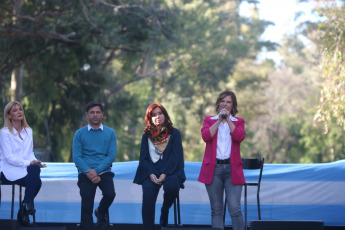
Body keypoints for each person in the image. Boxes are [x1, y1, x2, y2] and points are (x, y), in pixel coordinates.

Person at [198, 90, 246, 230]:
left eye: (228, 102)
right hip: (214, 170)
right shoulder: (209, 120)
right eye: (222, 101)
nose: (225, 104)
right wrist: (220, 120)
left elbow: (239, 137)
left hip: (232, 170)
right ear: (218, 104)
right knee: (217, 210)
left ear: (233, 106)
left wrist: (228, 120)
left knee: (234, 209)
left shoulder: (239, 122)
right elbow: (206, 137)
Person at [134, 103, 186, 230]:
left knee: (172, 187)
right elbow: (144, 158)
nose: (157, 116)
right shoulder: (146, 135)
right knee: (147, 199)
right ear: (149, 118)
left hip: (170, 169)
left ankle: (165, 209)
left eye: (160, 113)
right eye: (154, 114)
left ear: (165, 115)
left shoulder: (174, 133)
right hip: (150, 170)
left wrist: (165, 173)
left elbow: (176, 157)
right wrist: (151, 173)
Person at [0, 101, 46, 226]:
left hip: (23, 168)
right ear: (9, 115)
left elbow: (29, 153)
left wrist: (34, 161)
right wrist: (29, 162)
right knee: (37, 181)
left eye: (20, 109)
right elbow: (9, 158)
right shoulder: (4, 133)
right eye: (15, 110)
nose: (19, 112)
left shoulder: (28, 130)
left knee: (35, 169)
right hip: (8, 169)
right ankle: (24, 211)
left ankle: (25, 207)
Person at [72, 101, 117, 230]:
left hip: (103, 171)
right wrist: (89, 172)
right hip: (85, 173)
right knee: (87, 203)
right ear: (87, 115)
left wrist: (96, 171)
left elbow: (111, 156)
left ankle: (100, 211)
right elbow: (77, 157)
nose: (95, 115)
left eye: (98, 112)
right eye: (92, 112)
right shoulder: (79, 134)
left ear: (102, 114)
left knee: (110, 194)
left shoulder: (110, 133)